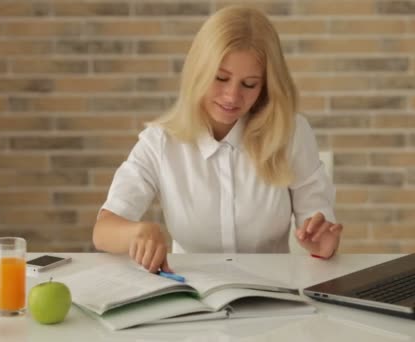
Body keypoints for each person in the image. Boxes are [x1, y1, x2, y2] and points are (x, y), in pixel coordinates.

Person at [92, 5, 343, 273]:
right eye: (220, 78)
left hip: (274, 295)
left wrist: (324, 243)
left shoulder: (291, 133)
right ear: (199, 71)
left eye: (249, 84)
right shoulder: (161, 142)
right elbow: (104, 230)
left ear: (266, 87)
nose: (232, 97)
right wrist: (136, 233)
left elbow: (319, 227)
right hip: (193, 297)